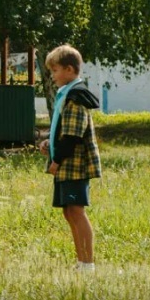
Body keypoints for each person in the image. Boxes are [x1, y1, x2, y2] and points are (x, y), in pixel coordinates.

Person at [38, 44, 102, 273]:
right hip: (67, 164)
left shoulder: (76, 98)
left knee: (76, 211)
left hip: (74, 165)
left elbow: (73, 136)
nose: (52, 76)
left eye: (55, 71)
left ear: (69, 69)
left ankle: (87, 265)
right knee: (69, 211)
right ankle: (81, 262)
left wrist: (56, 160)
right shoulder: (66, 96)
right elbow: (63, 129)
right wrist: (49, 142)